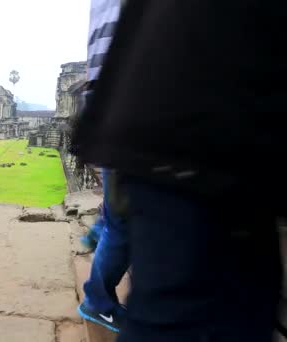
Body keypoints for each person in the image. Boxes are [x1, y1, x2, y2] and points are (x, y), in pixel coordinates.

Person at [71, 1, 286, 341]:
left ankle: (99, 279)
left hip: (154, 114)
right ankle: (97, 296)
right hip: (191, 131)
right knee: (191, 308)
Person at [73, 0, 129, 333]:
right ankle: (97, 300)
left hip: (107, 85)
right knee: (126, 219)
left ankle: (102, 226)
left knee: (121, 205)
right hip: (129, 87)